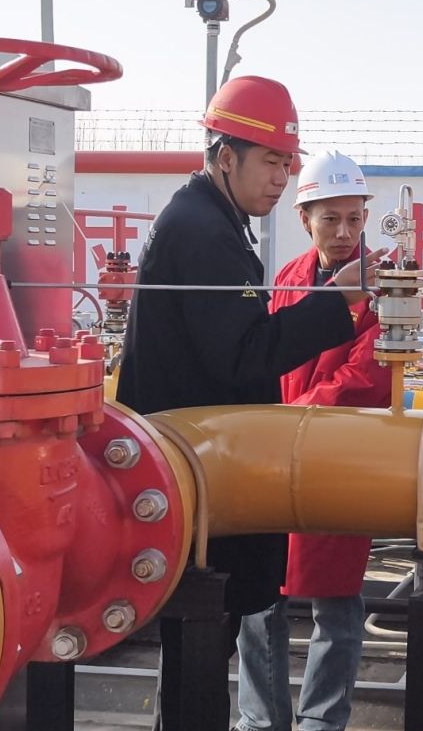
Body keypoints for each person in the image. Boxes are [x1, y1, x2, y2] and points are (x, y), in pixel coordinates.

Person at [116, 76, 386, 729]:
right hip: (202, 472)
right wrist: (340, 301)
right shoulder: (205, 231)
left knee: (209, 645)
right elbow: (242, 356)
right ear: (224, 155)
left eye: (286, 164)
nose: (279, 178)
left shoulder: (209, 221)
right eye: (270, 162)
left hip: (210, 468)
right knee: (200, 648)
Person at [234, 150, 390, 731]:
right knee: (259, 596)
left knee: (337, 605)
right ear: (305, 219)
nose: (345, 232)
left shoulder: (385, 284)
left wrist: (286, 418)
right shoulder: (289, 278)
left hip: (340, 457)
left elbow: (368, 376)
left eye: (354, 218)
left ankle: (322, 722)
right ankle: (261, 719)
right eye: (331, 219)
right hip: (279, 456)